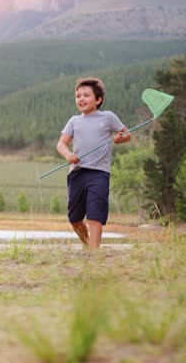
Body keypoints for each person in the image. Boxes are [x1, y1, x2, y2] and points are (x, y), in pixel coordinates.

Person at [56, 77, 130, 249]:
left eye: (86, 95)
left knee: (95, 214)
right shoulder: (74, 121)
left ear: (98, 100)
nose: (81, 99)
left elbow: (127, 134)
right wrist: (68, 154)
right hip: (77, 173)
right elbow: (61, 144)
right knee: (74, 219)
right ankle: (88, 244)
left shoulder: (108, 117)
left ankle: (94, 253)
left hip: (99, 173)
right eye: (78, 96)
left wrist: (119, 139)